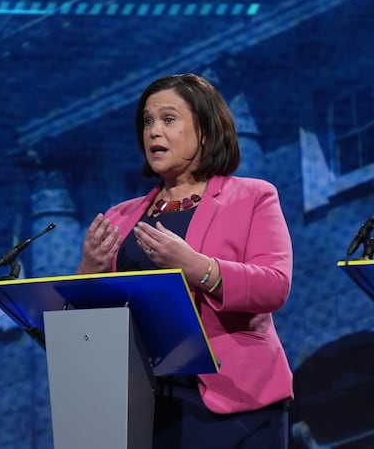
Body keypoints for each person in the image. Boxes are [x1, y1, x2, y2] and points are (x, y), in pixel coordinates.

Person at [76, 73, 293, 448]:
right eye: (147, 121)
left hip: (234, 401)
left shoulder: (254, 197)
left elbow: (274, 285)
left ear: (205, 132)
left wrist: (195, 266)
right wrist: (88, 271)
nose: (153, 132)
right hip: (140, 404)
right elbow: (87, 322)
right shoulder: (119, 217)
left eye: (168, 119)